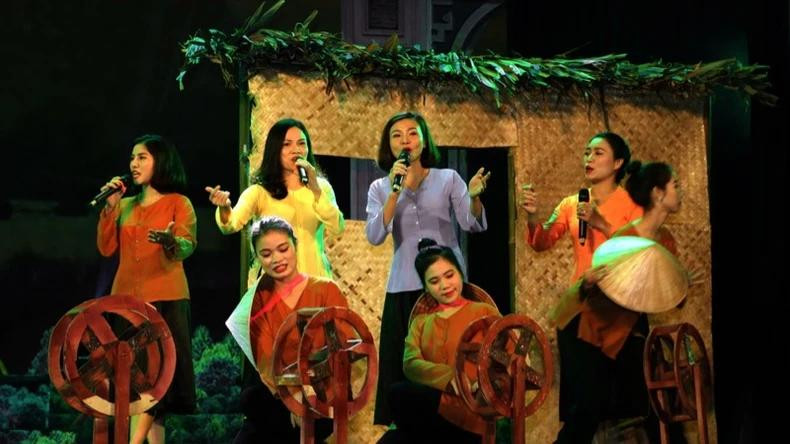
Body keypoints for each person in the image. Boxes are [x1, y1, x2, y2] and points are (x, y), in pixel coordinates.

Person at [366, 111, 491, 426]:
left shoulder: (448, 178)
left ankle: (456, 424)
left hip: (446, 286)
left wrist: (474, 199)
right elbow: (375, 236)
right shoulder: (380, 187)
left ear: (424, 140)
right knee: (404, 369)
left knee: (449, 357)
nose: (405, 140)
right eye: (397, 135)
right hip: (404, 285)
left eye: (412, 133)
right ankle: (405, 430)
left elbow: (472, 224)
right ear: (389, 145)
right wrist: (394, 192)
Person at [553, 160, 692, 443]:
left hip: (623, 333)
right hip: (585, 326)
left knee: (656, 403)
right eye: (675, 185)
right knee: (588, 411)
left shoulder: (666, 242)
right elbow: (597, 289)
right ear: (658, 194)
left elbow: (668, 299)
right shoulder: (625, 238)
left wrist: (682, 284)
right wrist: (589, 281)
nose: (681, 191)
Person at [96, 134, 196, 444]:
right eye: (132, 158)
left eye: (142, 157)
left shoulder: (179, 203)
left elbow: (186, 246)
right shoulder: (124, 205)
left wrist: (170, 241)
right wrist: (110, 208)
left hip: (166, 299)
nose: (133, 164)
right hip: (126, 302)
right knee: (134, 385)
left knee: (156, 383)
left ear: (160, 161)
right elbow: (106, 248)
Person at [231, 216, 349, 443]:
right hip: (279, 393)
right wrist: (293, 397)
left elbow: (340, 347)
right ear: (257, 258)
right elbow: (266, 360)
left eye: (283, 249)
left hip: (320, 389)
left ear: (295, 245)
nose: (277, 259)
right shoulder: (258, 300)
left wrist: (306, 395)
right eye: (266, 254)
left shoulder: (326, 290)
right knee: (254, 401)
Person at [379, 239, 499, 444]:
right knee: (395, 405)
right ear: (426, 287)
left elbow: (510, 353)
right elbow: (410, 364)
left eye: (449, 275)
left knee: (398, 396)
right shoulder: (420, 322)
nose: (444, 285)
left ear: (460, 273)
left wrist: (475, 381)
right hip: (432, 410)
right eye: (434, 281)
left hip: (472, 412)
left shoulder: (484, 312)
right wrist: (450, 378)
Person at [206, 118, 345, 282]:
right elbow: (231, 224)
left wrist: (316, 190)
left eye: (301, 144)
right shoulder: (260, 192)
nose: (296, 150)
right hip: (277, 284)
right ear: (275, 149)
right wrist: (224, 208)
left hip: (314, 280)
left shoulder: (321, 188)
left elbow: (337, 228)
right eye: (287, 144)